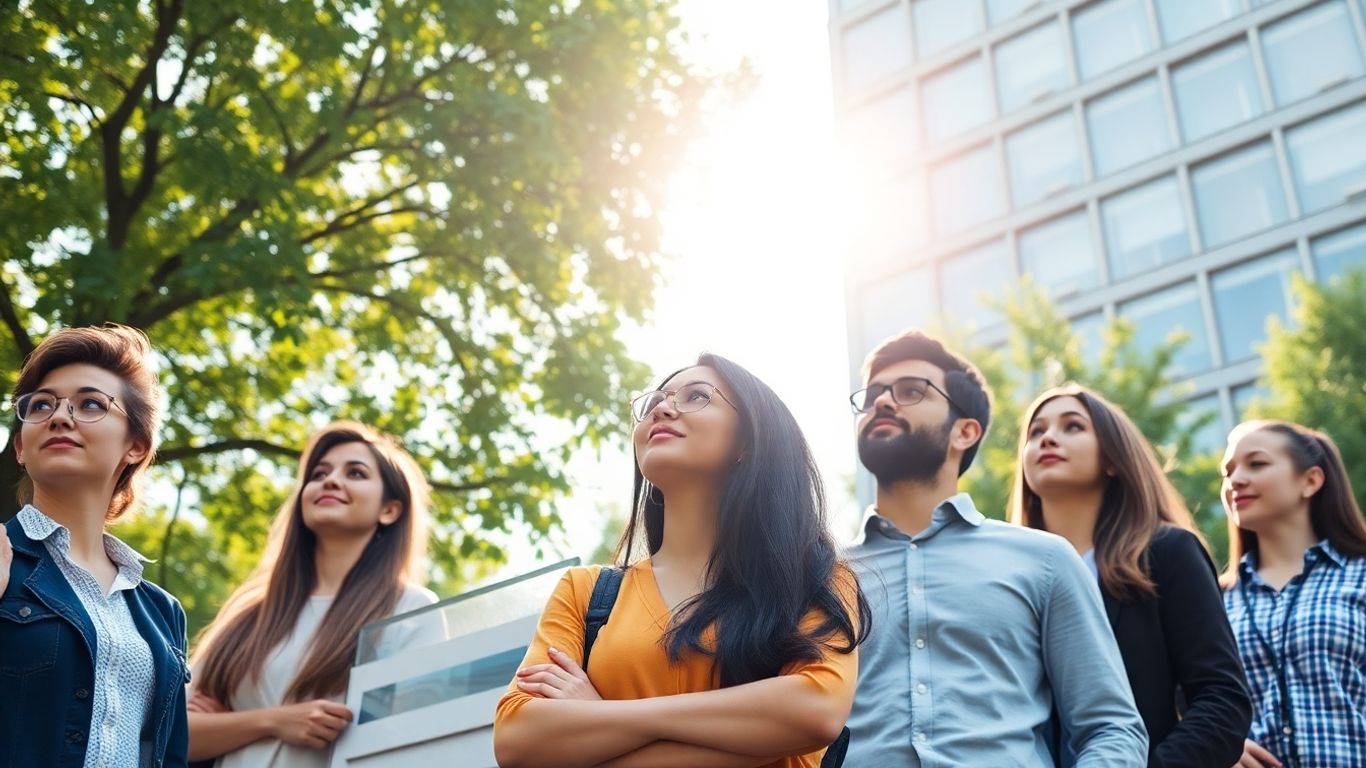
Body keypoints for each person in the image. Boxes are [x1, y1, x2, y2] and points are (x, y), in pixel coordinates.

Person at [493, 353, 870, 768]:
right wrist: (750, 735)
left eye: (696, 396)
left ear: (748, 440)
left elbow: (813, 711)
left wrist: (597, 711)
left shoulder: (815, 579)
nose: (663, 408)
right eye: (655, 401)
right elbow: (517, 738)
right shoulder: (584, 593)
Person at [843, 330, 1147, 766]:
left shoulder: (1045, 560)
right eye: (872, 396)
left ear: (965, 431)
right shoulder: (817, 575)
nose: (883, 403)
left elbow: (1111, 728)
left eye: (911, 391)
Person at [1011, 384, 1250, 766]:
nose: (1049, 438)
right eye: (1036, 432)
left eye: (1072, 426)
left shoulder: (1168, 553)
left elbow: (1221, 700)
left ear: (1113, 458)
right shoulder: (1007, 576)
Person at [186, 421, 438, 767]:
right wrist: (274, 721)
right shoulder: (250, 611)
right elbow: (177, 733)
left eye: (356, 473)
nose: (330, 480)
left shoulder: (410, 610)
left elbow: (407, 738)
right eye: (319, 473)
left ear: (390, 510)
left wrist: (227, 723)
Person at [0, 324, 189, 768]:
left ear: (136, 447)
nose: (59, 416)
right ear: (20, 447)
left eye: (90, 404)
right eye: (42, 405)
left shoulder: (163, 612)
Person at [1220, 420, 1366, 768]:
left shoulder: (1361, 574)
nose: (1235, 480)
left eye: (1256, 464)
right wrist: (1223, 744)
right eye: (1227, 471)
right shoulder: (1214, 599)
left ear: (1310, 480)